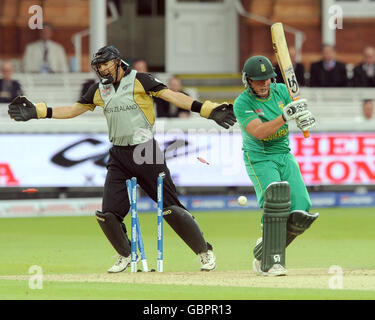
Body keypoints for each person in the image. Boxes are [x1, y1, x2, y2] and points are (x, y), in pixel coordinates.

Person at [8, 45, 236, 273]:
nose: (102, 70)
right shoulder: (99, 90)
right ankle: (126, 254)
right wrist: (40, 111)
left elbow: (173, 96)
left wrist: (207, 109)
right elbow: (74, 109)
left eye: (106, 64)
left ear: (117, 62)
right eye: (99, 66)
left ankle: (204, 252)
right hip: (118, 153)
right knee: (108, 213)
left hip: (145, 150)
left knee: (171, 208)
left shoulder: (141, 80)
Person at [233, 55, 318, 276]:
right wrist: (285, 116)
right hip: (259, 157)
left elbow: (297, 109)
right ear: (247, 80)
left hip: (283, 153)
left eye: (267, 79)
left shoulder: (281, 90)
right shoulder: (243, 103)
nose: (263, 84)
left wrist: (304, 118)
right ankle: (271, 262)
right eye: (258, 80)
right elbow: (260, 132)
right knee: (276, 203)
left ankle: (265, 250)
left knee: (301, 210)